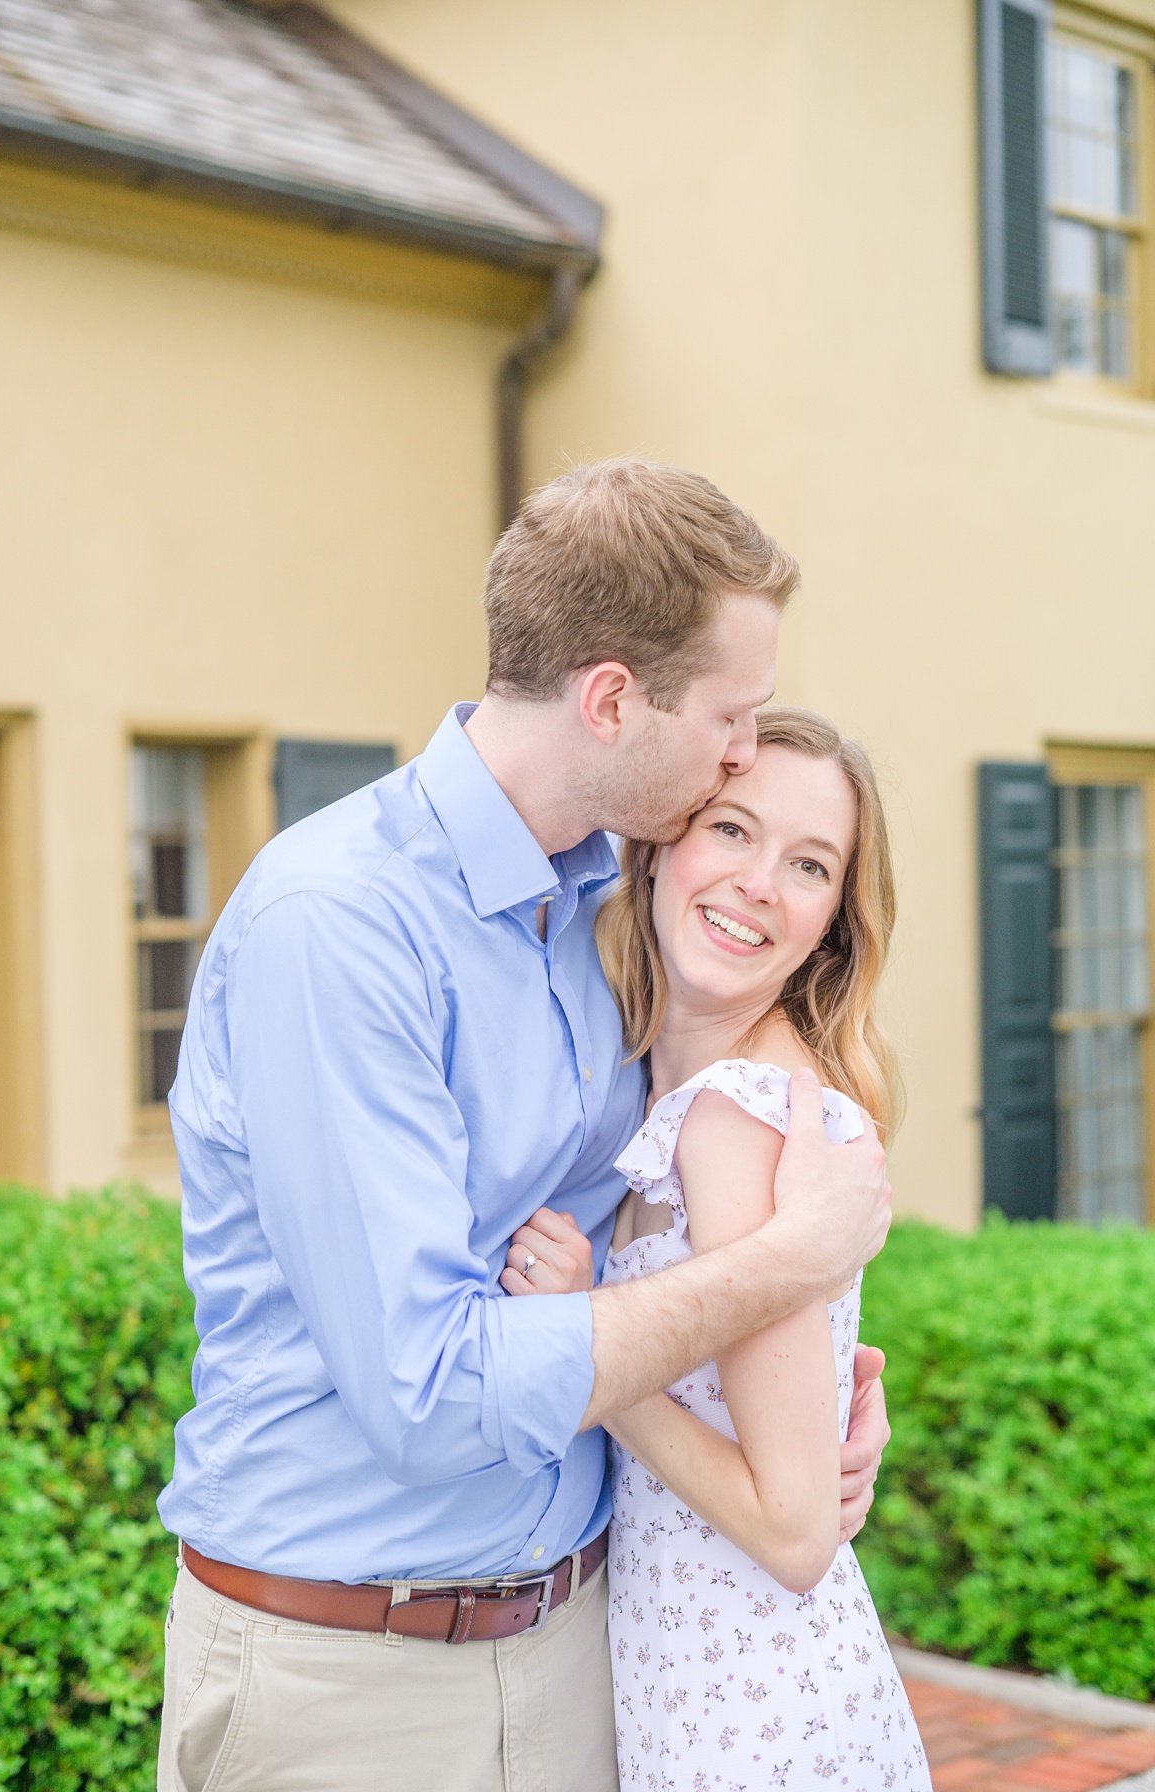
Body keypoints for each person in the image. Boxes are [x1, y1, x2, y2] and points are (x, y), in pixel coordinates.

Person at [154, 460, 895, 1792]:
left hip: (589, 1646)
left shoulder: (611, 903)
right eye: (734, 718)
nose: (744, 754)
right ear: (612, 699)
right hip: (353, 1676)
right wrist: (787, 1269)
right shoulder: (339, 929)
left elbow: (649, 1214)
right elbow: (430, 1394)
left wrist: (803, 1409)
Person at [506, 708, 928, 1785]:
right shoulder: (665, 1084)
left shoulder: (737, 1117)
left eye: (808, 864)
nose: (756, 883)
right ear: (662, 845)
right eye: (732, 829)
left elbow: (793, 1533)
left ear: (831, 919)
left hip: (757, 1724)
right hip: (693, 1694)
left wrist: (588, 1348)